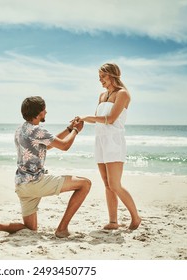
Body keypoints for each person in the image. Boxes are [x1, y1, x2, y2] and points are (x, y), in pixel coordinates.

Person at [0, 96, 91, 238]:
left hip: (22, 185)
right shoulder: (38, 131)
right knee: (85, 184)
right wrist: (76, 130)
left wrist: (69, 129)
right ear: (39, 113)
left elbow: (48, 145)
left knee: (30, 229)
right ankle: (62, 229)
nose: (46, 112)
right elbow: (65, 146)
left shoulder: (20, 129)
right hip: (36, 183)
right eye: (44, 110)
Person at [80, 63, 141, 230]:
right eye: (99, 77)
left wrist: (88, 117)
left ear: (112, 75)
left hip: (114, 141)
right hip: (100, 141)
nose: (100, 80)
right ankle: (113, 222)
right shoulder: (102, 95)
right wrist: (81, 120)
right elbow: (97, 119)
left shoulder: (123, 94)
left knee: (115, 184)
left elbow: (111, 119)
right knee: (107, 185)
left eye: (103, 77)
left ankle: (136, 216)